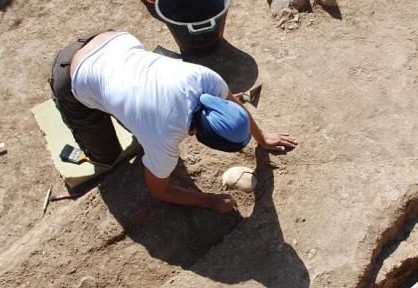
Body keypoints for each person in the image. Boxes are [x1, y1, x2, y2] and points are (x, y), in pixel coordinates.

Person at [49, 31, 296, 213]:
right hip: (71, 72)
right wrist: (208, 200)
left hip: (113, 39)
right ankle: (74, 105)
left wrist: (262, 138)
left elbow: (235, 104)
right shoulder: (162, 137)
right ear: (200, 136)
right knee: (107, 155)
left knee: (134, 116)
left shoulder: (207, 80)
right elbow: (159, 191)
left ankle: (115, 101)